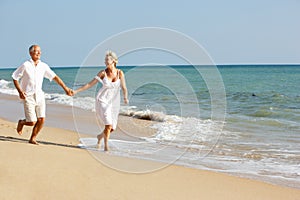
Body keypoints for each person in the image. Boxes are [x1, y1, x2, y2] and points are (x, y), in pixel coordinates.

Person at [12, 44, 73, 144]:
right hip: (28, 96)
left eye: (40, 51)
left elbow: (55, 77)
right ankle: (22, 122)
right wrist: (20, 91)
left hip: (40, 96)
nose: (39, 53)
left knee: (41, 119)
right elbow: (14, 77)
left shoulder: (43, 66)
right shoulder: (25, 65)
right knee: (32, 122)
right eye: (36, 51)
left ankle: (33, 138)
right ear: (31, 53)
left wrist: (65, 88)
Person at [73, 50, 128, 151]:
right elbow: (90, 84)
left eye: (108, 60)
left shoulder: (120, 73)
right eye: (105, 60)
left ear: (114, 61)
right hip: (103, 100)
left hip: (114, 102)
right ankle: (106, 147)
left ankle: (100, 137)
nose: (106, 62)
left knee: (112, 128)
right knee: (108, 124)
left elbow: (124, 87)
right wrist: (76, 91)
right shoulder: (103, 73)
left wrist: (125, 97)